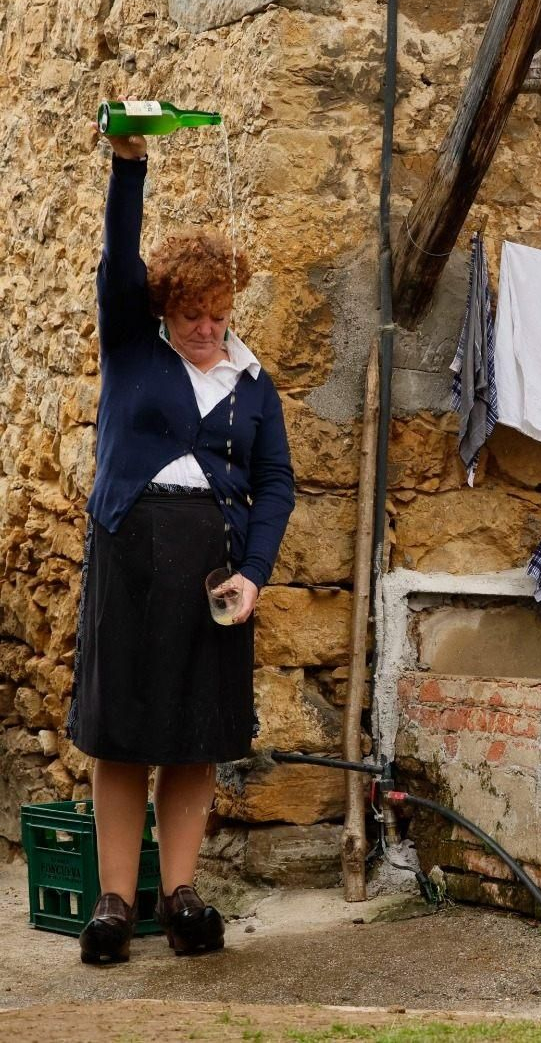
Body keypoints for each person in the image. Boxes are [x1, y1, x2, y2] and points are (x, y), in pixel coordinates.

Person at [71, 129, 295, 964]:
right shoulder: (132, 345)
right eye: (192, 315)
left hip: (212, 569)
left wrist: (255, 573)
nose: (207, 329)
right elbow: (117, 262)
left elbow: (276, 482)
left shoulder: (254, 381)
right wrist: (129, 165)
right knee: (123, 732)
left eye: (219, 315)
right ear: (167, 309)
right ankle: (115, 904)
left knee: (197, 735)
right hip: (129, 554)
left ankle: (182, 895)